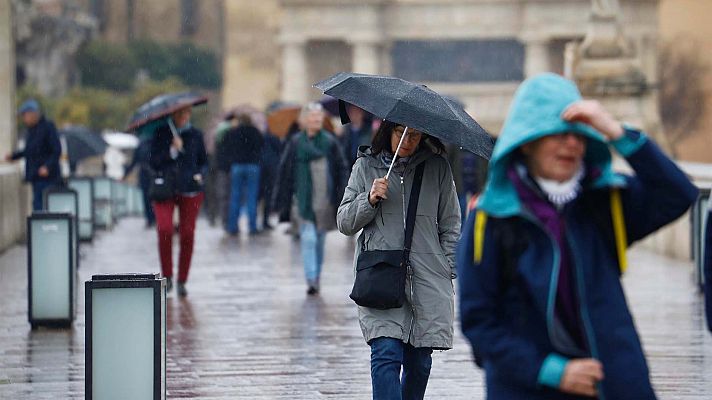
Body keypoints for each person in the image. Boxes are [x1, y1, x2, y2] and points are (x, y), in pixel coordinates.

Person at [456, 73, 698, 399]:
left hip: (614, 385)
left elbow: (678, 194)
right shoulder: (491, 219)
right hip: (529, 388)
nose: (572, 143)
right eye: (559, 133)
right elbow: (479, 322)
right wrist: (553, 372)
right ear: (527, 141)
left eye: (579, 135)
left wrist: (615, 131)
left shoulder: (603, 203)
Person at [337, 120, 461, 399]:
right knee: (385, 353)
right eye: (401, 133)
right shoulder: (365, 167)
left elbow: (451, 223)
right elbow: (344, 222)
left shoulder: (437, 168)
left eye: (415, 135)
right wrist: (368, 200)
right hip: (381, 274)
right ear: (388, 132)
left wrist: (447, 267)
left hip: (428, 277)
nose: (407, 140)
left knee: (419, 362)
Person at [273, 102, 349, 295]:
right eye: (312, 117)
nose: (316, 120)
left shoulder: (330, 142)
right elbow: (284, 170)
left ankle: (317, 275)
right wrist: (280, 197)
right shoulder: (296, 142)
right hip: (302, 199)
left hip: (325, 199)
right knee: (308, 238)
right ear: (304, 120)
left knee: (320, 240)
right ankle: (311, 279)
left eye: (319, 117)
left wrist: (343, 193)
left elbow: (341, 167)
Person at [149, 106, 208, 297]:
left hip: (189, 187)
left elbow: (203, 161)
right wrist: (172, 151)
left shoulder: (195, 135)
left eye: (187, 113)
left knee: (187, 234)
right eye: (180, 114)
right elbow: (153, 161)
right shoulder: (161, 134)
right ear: (173, 115)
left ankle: (183, 279)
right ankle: (167, 276)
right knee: (164, 229)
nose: (183, 117)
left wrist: (200, 174)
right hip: (165, 187)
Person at [4, 99, 61, 211]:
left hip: (48, 177)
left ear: (33, 114)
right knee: (37, 206)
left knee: (45, 206)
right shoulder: (31, 130)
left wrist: (47, 167)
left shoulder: (48, 127)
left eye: (25, 115)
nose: (24, 119)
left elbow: (56, 150)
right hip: (35, 176)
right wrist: (14, 156)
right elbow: (29, 150)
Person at [223, 113, 264, 235]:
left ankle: (233, 226)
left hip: (237, 166)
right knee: (252, 197)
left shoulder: (232, 132)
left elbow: (226, 148)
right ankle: (252, 226)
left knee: (235, 197)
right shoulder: (256, 132)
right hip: (253, 166)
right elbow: (262, 146)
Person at [123, 137, 155, 227]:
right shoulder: (152, 143)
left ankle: (150, 219)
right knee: (152, 198)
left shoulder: (141, 145)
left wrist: (125, 175)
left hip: (146, 175)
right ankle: (152, 219)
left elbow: (134, 162)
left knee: (147, 198)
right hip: (151, 175)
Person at [260, 128, 282, 230]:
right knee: (269, 195)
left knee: (262, 195)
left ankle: (262, 220)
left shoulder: (263, 136)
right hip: (272, 168)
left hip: (262, 168)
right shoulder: (275, 137)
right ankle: (265, 220)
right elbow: (280, 150)